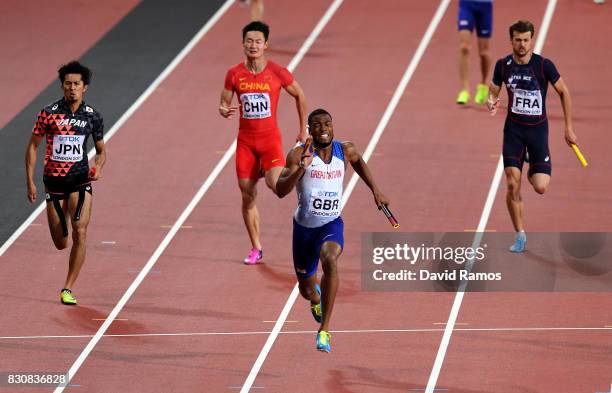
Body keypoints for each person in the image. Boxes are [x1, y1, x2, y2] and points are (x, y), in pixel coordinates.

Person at [276, 108, 389, 353]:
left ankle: (324, 330)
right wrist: (301, 169)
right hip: (304, 230)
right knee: (306, 290)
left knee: (330, 260)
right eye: (317, 125)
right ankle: (315, 298)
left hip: (331, 224)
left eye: (328, 123)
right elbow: (280, 190)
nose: (323, 128)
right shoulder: (298, 155)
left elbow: (358, 160)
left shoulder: (344, 150)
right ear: (309, 129)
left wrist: (375, 190)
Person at [219, 21, 307, 265]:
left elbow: (300, 94)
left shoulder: (278, 72)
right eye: (249, 41)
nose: (253, 45)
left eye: (258, 41)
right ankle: (256, 247)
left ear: (266, 45)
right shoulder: (234, 73)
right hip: (246, 143)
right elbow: (224, 101)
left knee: (275, 185)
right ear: (243, 43)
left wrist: (302, 130)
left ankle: (298, 170)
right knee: (247, 196)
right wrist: (223, 109)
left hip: (269, 140)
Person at [487, 20, 577, 252]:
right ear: (511, 41)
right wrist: (491, 100)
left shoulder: (544, 65)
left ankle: (529, 163)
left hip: (538, 131)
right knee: (511, 182)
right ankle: (520, 234)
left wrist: (568, 128)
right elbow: (494, 87)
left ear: (531, 40)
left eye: (526, 40)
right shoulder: (503, 65)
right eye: (518, 40)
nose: (522, 44)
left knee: (540, 187)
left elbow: (564, 91)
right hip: (514, 131)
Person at [25, 61, 106, 305]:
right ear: (62, 86)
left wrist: (99, 168)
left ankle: (67, 288)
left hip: (80, 181)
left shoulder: (93, 116)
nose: (72, 88)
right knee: (61, 243)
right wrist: (30, 181)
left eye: (77, 84)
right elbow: (32, 147)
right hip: (54, 184)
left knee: (81, 231)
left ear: (85, 87)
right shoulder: (48, 113)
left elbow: (101, 151)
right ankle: (63, 221)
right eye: (68, 84)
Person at [456, 0, 493, 105]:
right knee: (464, 47)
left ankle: (483, 84)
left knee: (484, 53)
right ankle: (464, 89)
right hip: (467, 4)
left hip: (485, 6)